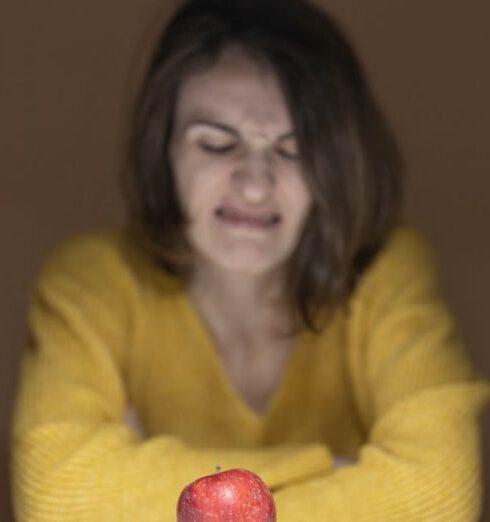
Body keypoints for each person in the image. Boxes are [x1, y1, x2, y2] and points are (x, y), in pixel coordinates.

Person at [11, 0, 490, 520]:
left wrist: (149, 482)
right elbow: (56, 497)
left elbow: (443, 497)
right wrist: (333, 469)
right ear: (162, 148)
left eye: (293, 150)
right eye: (217, 144)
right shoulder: (90, 281)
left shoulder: (388, 270)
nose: (255, 185)